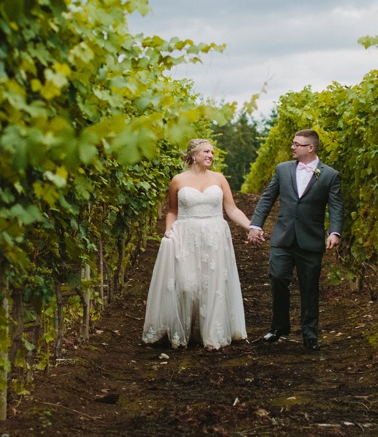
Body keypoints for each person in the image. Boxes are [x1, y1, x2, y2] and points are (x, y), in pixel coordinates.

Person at [142, 138, 255, 350]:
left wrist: (251, 227)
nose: (210, 156)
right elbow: (173, 211)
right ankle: (185, 331)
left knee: (212, 285)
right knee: (187, 285)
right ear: (193, 155)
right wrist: (168, 231)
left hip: (214, 235)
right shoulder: (177, 180)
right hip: (186, 235)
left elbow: (231, 209)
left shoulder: (219, 179)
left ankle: (211, 335)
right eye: (206, 152)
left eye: (212, 152)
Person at [247, 129, 343, 351]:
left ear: (310, 148)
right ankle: (279, 327)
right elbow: (267, 198)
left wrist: (335, 232)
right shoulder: (282, 170)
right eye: (292, 144)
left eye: (297, 144)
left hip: (310, 239)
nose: (292, 147)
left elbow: (336, 206)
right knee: (278, 277)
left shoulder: (329, 175)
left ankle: (310, 334)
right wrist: (255, 225)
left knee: (309, 287)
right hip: (283, 236)